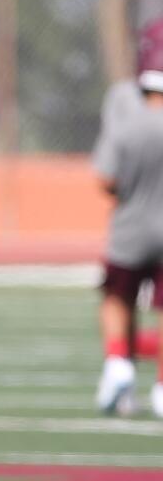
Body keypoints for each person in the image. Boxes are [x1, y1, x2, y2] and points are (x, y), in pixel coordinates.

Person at [93, 43, 163, 417]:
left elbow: (104, 177)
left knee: (117, 299)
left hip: (130, 228)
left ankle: (118, 363)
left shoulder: (127, 119)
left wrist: (128, 192)